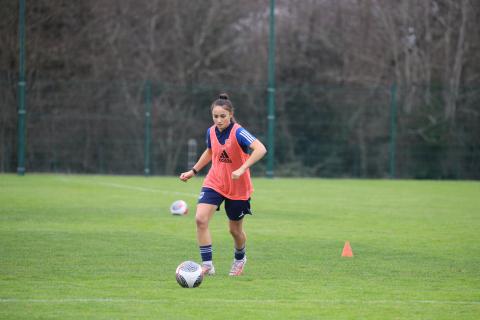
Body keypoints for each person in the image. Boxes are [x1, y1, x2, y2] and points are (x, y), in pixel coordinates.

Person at [179, 93, 267, 276]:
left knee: (235, 231)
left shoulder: (239, 132)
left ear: (230, 115)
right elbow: (210, 151)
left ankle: (240, 258)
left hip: (238, 187)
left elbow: (261, 149)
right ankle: (208, 265)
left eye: (222, 116)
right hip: (215, 182)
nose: (218, 120)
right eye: (215, 116)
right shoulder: (211, 131)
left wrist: (242, 168)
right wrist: (193, 171)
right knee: (200, 219)